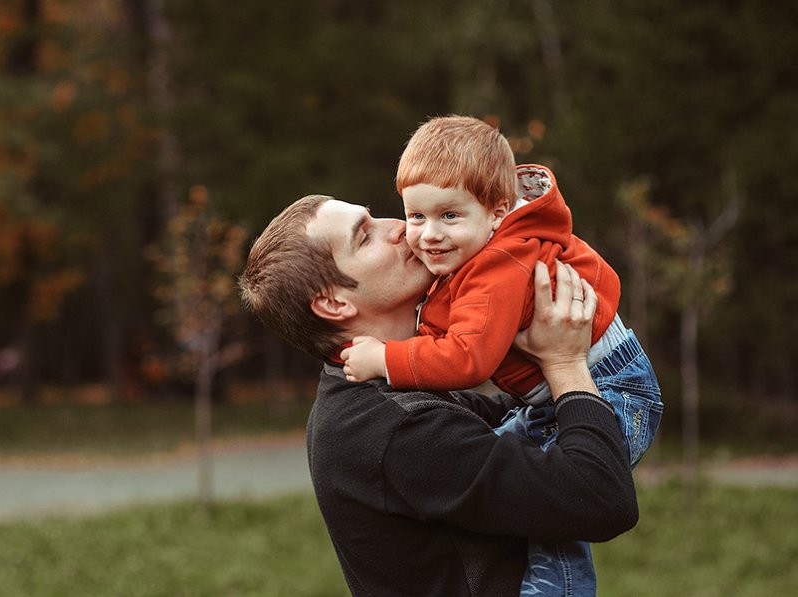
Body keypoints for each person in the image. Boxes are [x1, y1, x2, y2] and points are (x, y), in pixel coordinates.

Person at [238, 194, 639, 596]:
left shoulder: (375, 392)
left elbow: (529, 422)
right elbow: (600, 498)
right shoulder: (400, 429)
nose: (399, 227)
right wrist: (565, 363)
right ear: (333, 303)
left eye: (376, 217)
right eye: (365, 236)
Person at [341, 115, 663, 596]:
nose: (428, 234)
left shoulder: (498, 265)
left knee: (555, 506)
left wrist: (385, 359)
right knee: (509, 474)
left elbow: (468, 360)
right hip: (561, 392)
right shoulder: (474, 255)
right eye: (416, 216)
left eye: (449, 216)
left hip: (609, 389)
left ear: (496, 212)